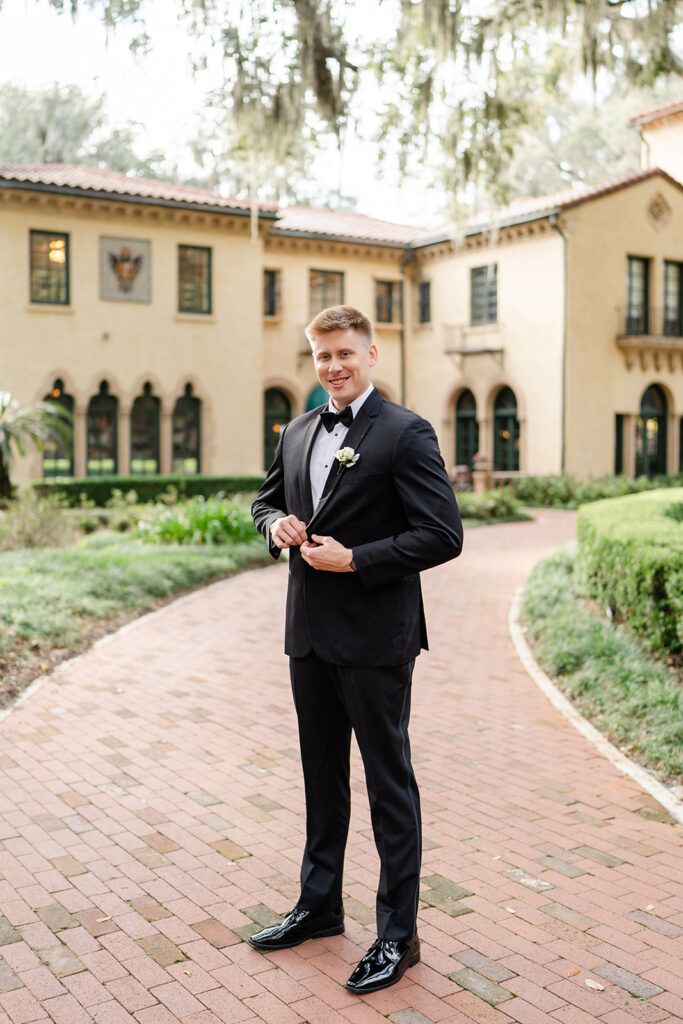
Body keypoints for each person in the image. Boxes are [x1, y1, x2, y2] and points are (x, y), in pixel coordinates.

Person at [250, 305, 463, 994]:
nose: (333, 366)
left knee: (387, 786)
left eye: (344, 353)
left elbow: (441, 534)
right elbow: (264, 502)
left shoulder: (406, 432)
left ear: (370, 353)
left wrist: (357, 558)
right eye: (321, 356)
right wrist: (274, 523)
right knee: (321, 779)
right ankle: (318, 908)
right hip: (308, 634)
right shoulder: (298, 429)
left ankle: (397, 936)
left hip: (375, 639)